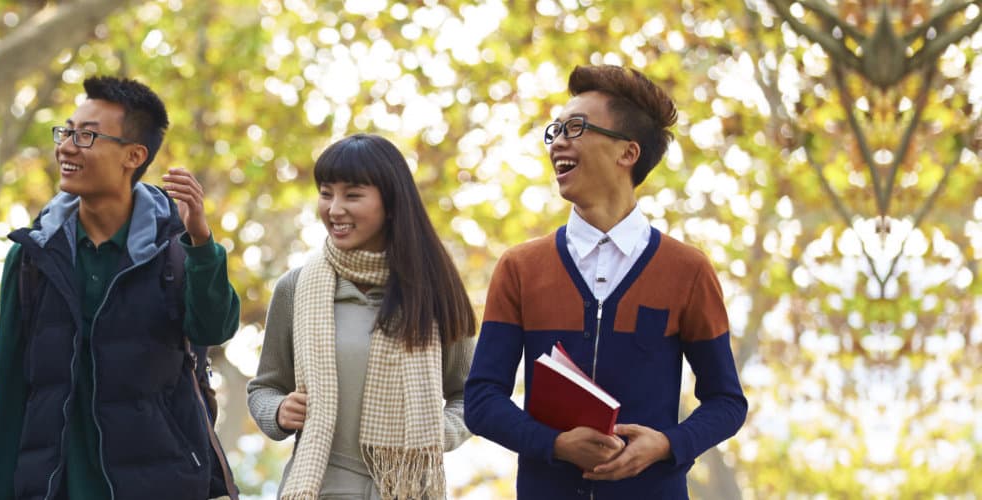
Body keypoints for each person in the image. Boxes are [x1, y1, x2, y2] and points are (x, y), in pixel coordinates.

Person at [462, 65, 749, 499]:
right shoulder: (520, 268)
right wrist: (555, 445)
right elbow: (482, 400)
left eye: (575, 128)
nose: (558, 141)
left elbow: (727, 402)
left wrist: (668, 445)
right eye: (555, 130)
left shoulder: (687, 270)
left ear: (627, 153)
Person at [0, 75, 240, 499]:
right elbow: (10, 398)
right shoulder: (32, 258)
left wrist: (201, 242)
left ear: (133, 155)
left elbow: (213, 328)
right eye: (66, 132)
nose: (65, 146)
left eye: (86, 136)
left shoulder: (176, 252)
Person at [247, 134, 477, 499]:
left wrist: (436, 433)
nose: (334, 209)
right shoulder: (296, 288)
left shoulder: (435, 292)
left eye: (352, 195)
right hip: (318, 488)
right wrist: (277, 411)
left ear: (390, 204)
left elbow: (470, 395)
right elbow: (264, 387)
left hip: (405, 488)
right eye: (326, 193)